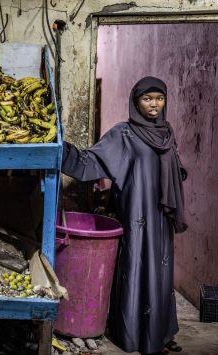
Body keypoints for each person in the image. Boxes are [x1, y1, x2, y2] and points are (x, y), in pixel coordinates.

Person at [61, 76, 187, 354]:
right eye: (147, 99)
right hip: (137, 215)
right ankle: (134, 336)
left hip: (161, 217)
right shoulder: (123, 134)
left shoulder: (167, 132)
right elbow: (92, 160)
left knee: (161, 273)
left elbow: (174, 167)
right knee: (137, 267)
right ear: (135, 102)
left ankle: (160, 334)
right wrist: (62, 149)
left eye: (159, 98)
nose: (154, 104)